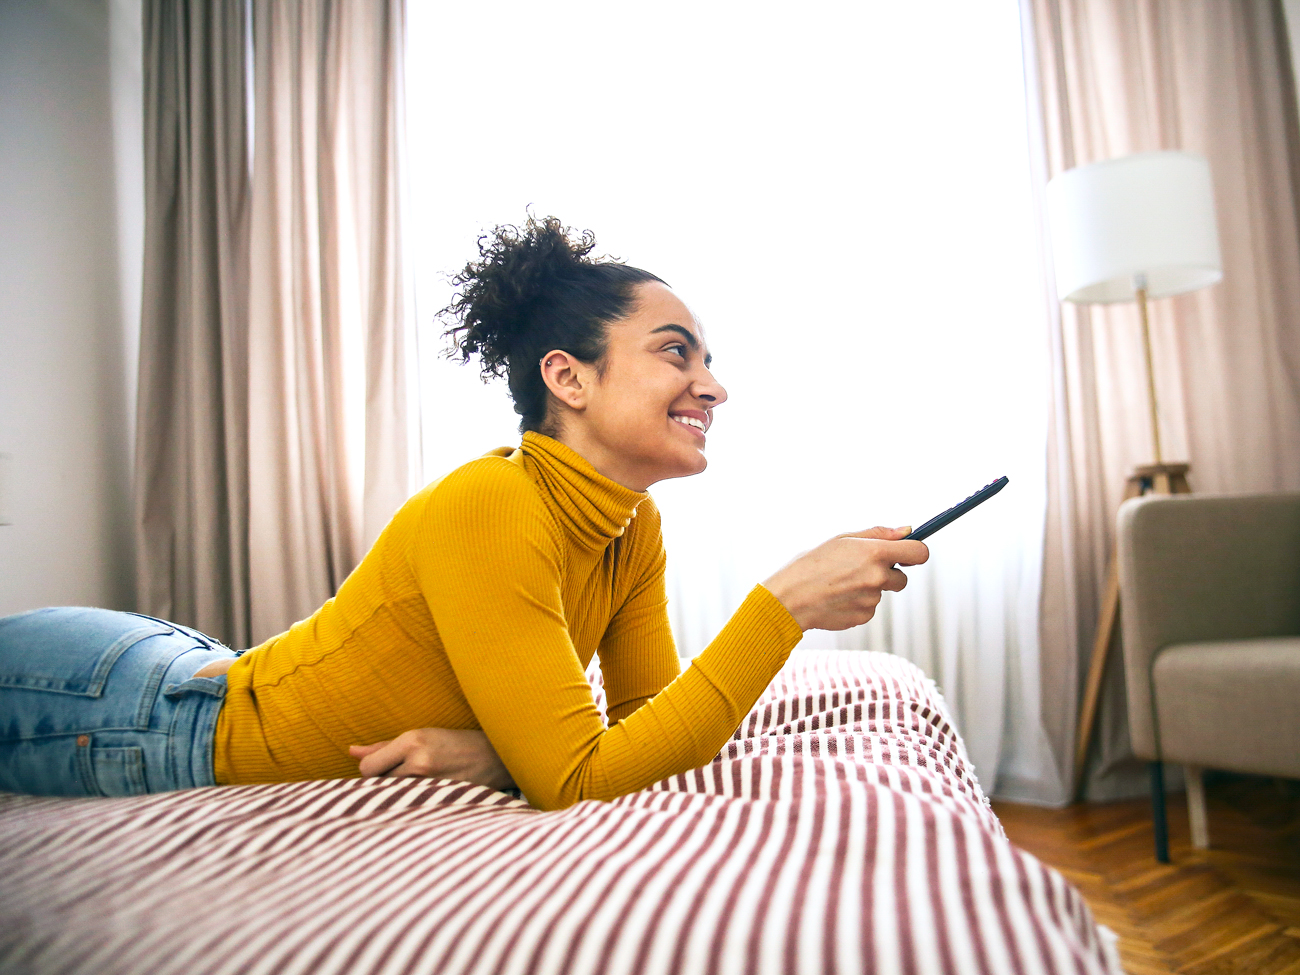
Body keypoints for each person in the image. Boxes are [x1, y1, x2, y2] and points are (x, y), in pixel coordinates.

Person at [0, 216, 928, 810]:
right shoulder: (495, 500)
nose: (713, 385)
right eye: (677, 353)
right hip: (137, 709)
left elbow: (643, 719)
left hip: (180, 668)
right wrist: (781, 607)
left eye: (707, 360)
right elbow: (578, 779)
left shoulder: (630, 525)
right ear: (566, 376)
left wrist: (497, 754)